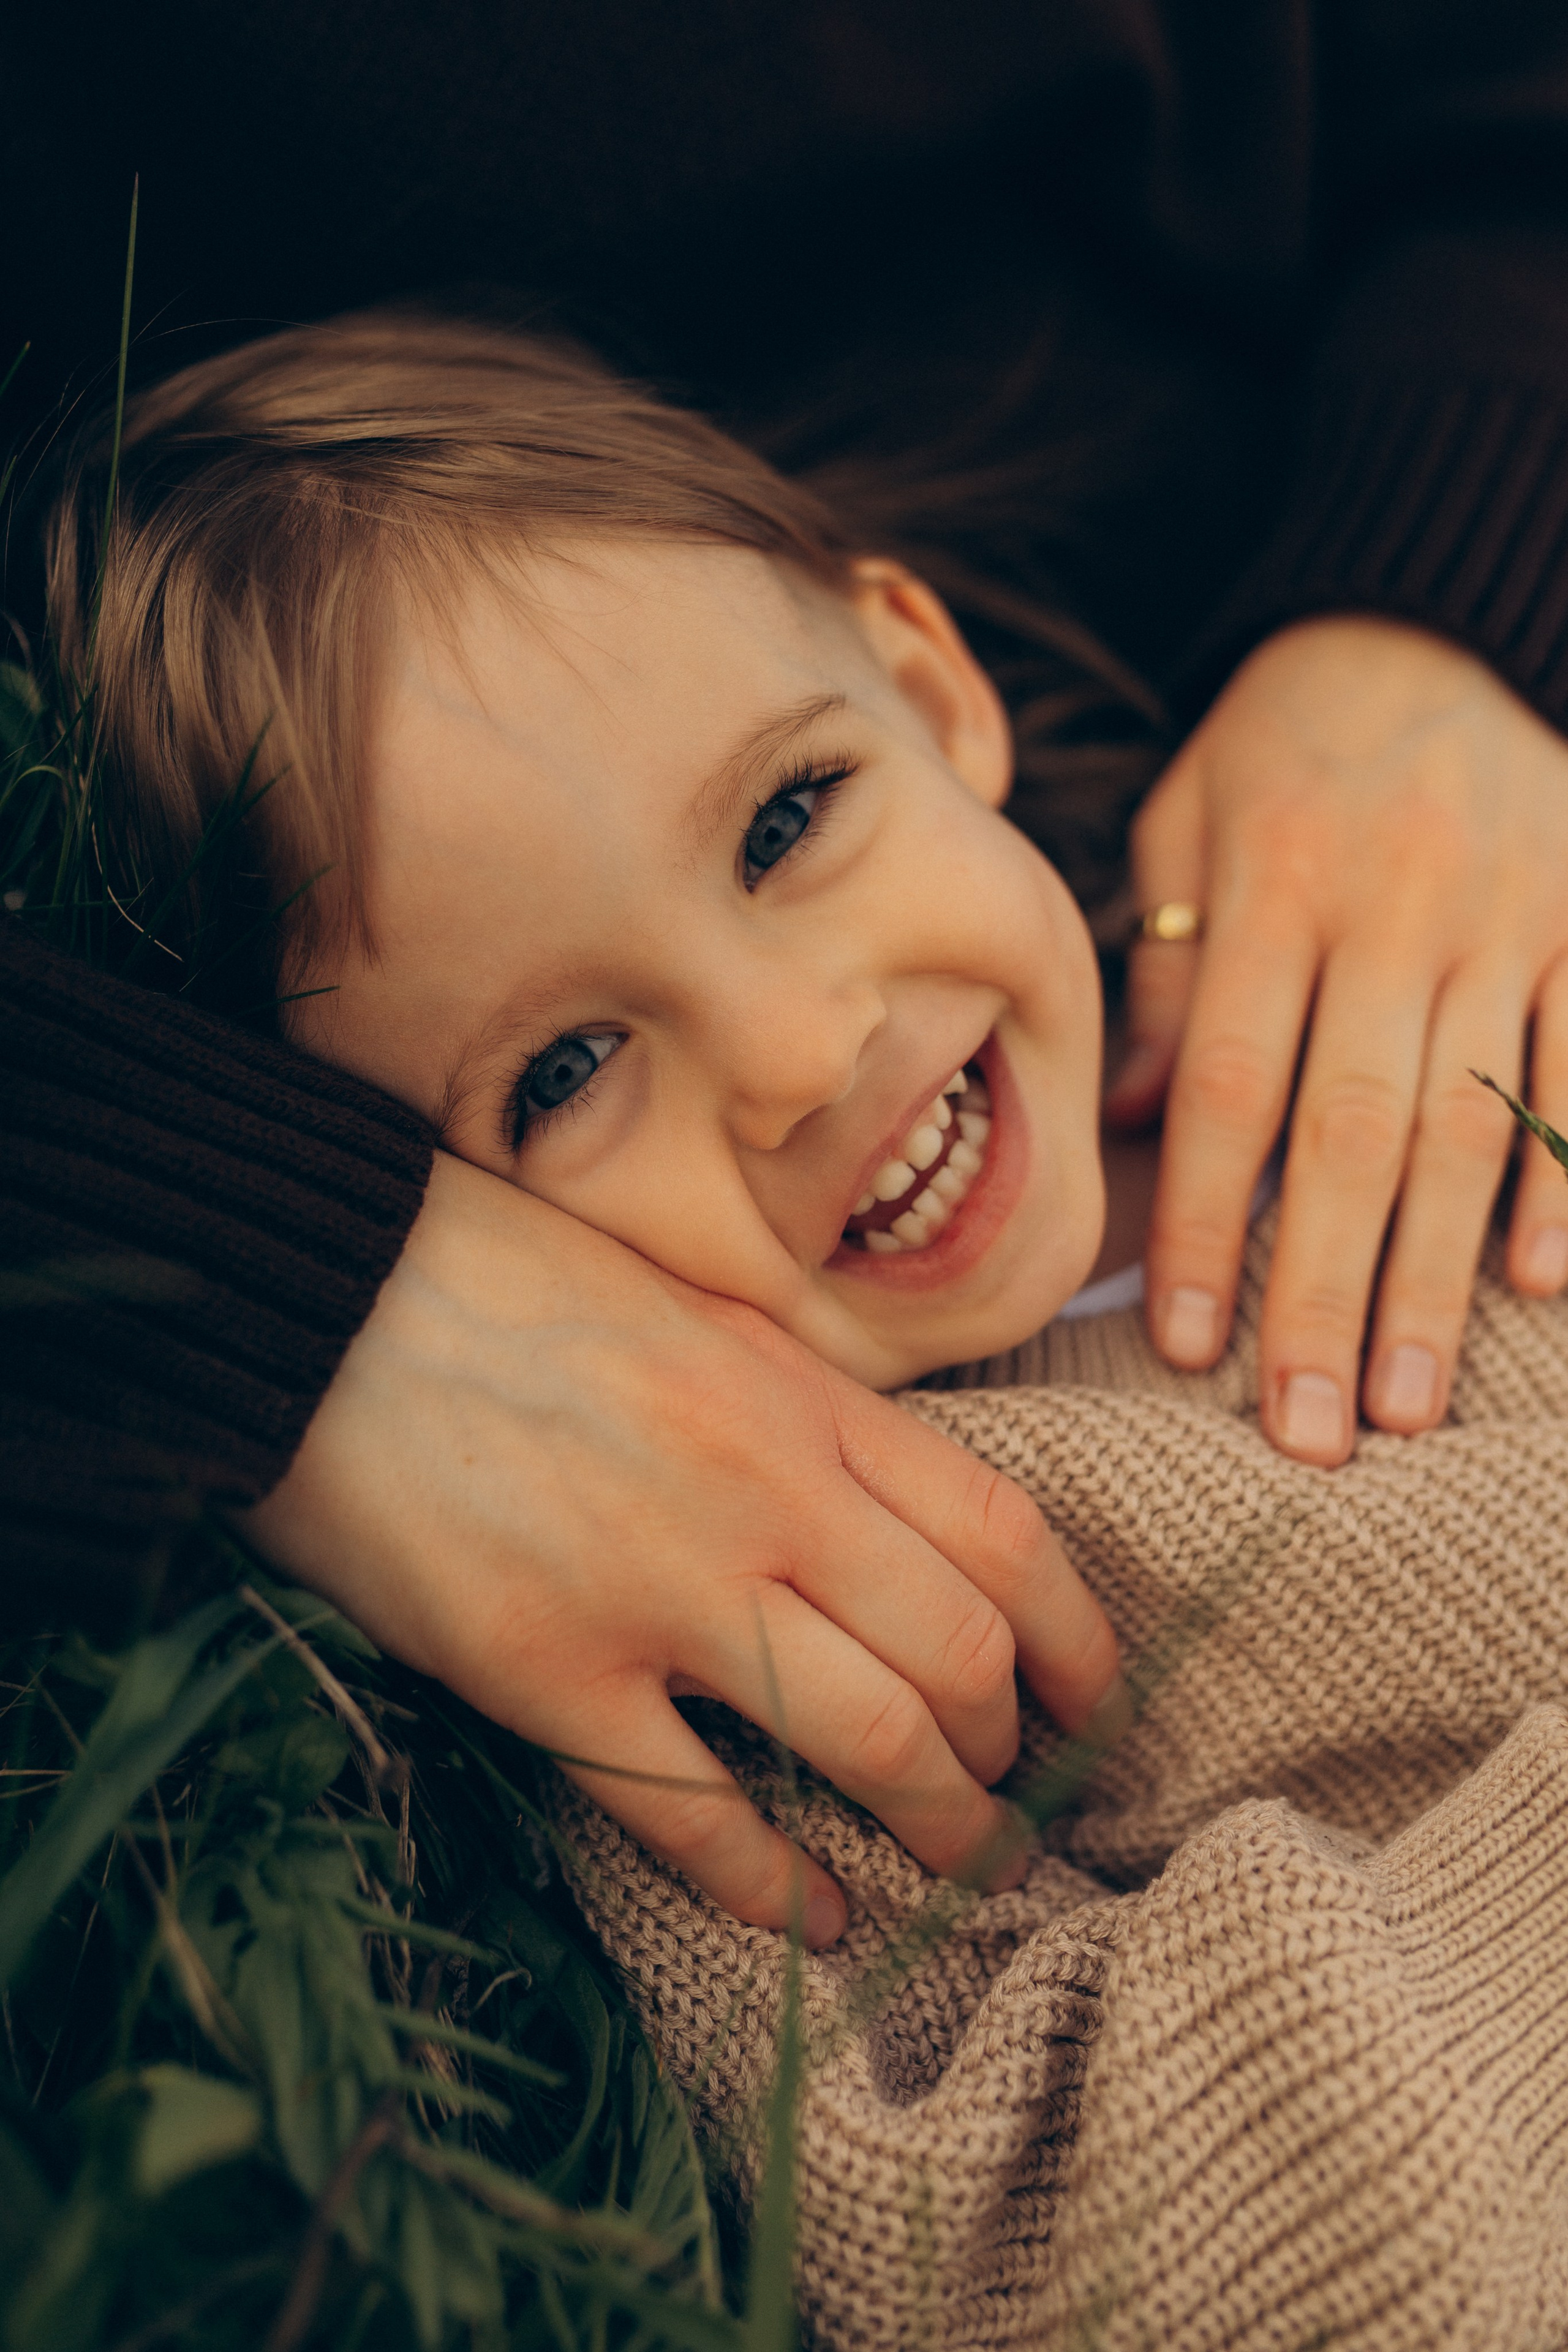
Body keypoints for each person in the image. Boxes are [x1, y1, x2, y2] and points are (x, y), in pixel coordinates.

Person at [28, 306, 1568, 1931]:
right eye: (564, 1071)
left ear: (923, 682)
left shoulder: (1458, 985)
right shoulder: (772, 1663)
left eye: (786, 819)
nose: (799, 1056)